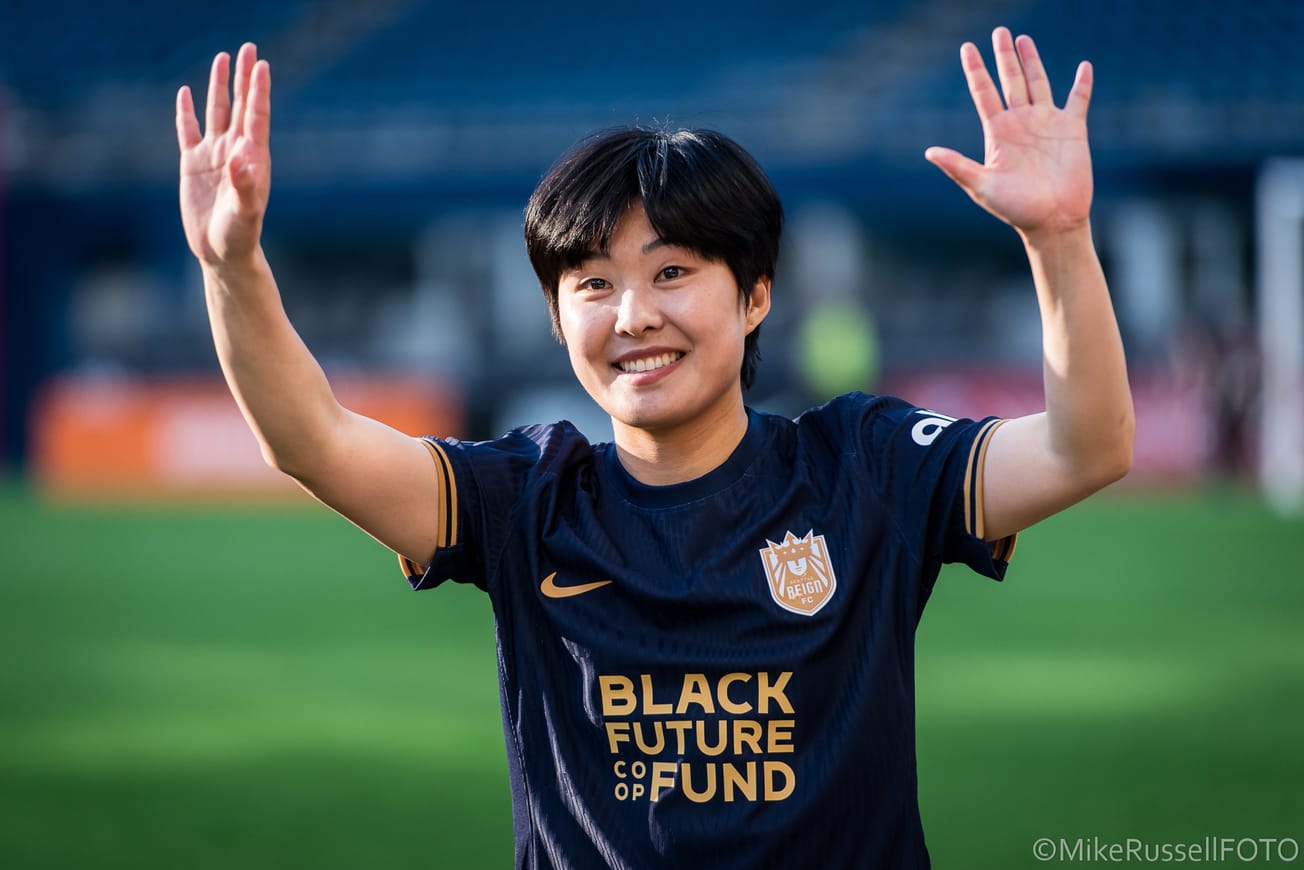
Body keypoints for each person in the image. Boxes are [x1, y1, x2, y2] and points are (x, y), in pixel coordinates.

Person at [176, 26, 1133, 869]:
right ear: (556, 319)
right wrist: (232, 267)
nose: (635, 316)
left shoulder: (865, 468)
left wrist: (1060, 238)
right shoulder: (528, 499)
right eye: (591, 284)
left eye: (672, 271)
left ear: (756, 295)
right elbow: (313, 441)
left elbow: (1083, 450)